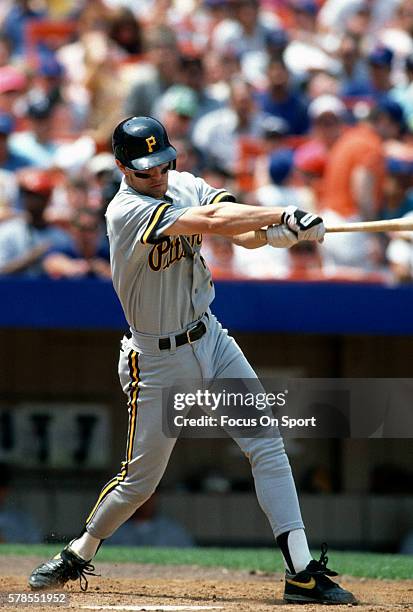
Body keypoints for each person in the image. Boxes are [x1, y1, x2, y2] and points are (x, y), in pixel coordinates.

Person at [28, 116, 356, 605]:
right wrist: (282, 212)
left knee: (267, 444)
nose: (158, 175)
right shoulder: (125, 209)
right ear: (122, 167)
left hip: (212, 337)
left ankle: (302, 571)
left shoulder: (184, 183)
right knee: (140, 482)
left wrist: (273, 234)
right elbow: (211, 222)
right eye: (145, 169)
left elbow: (234, 231)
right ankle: (80, 551)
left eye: (163, 163)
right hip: (157, 359)